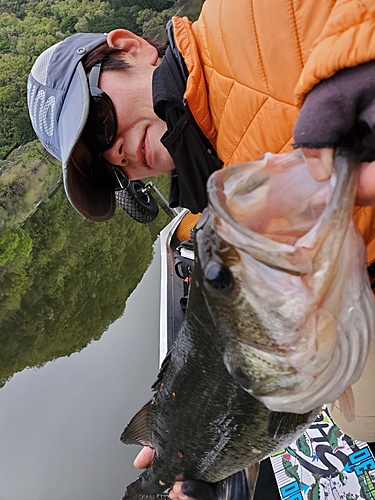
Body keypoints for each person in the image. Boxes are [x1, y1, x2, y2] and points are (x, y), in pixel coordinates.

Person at [27, 0, 375, 498]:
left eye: (101, 122)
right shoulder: (208, 194)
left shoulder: (248, 15)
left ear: (131, 48)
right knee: (361, 421)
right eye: (104, 170)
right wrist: (194, 425)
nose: (116, 153)